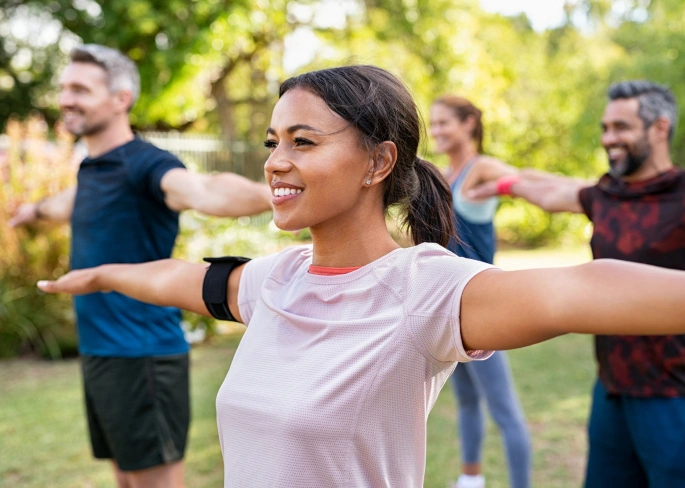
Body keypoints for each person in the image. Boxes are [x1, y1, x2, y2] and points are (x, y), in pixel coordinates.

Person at [37, 67, 685, 488]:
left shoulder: (422, 291)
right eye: (271, 142)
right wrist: (101, 274)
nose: (276, 163)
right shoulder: (273, 281)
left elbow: (576, 290)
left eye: (303, 142)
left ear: (378, 161)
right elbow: (180, 277)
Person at [9, 44, 272, 488]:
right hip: (102, 353)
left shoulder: (146, 164)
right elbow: (67, 204)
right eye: (64, 87)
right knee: (126, 479)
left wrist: (274, 195)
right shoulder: (94, 168)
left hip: (143, 355)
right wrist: (31, 212)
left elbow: (202, 191)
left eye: (80, 88)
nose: (66, 98)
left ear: (121, 98)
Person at [468, 80, 685, 487]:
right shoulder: (606, 194)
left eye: (621, 127)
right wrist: (499, 185)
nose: (608, 139)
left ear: (659, 128)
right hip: (611, 391)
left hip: (673, 396)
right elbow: (550, 190)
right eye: (605, 128)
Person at [430, 96, 529, 488]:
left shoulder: (481, 168)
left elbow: (522, 181)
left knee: (504, 410)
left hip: (484, 307)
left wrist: (504, 187)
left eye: (444, 123)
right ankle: (470, 479)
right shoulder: (443, 174)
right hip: (449, 308)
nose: (436, 131)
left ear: (469, 123)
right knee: (468, 401)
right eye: (433, 124)